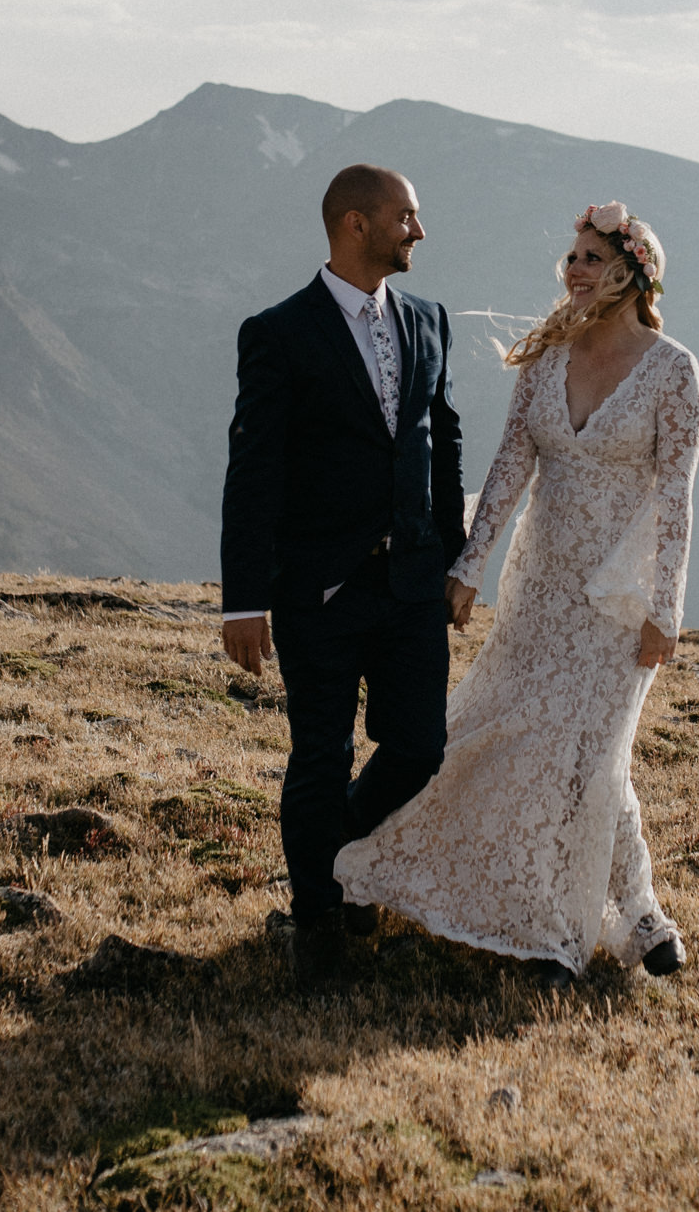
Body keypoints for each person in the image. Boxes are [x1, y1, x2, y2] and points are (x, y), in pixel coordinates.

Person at [335, 201, 699, 990]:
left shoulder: (674, 371)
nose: (572, 268)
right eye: (570, 255)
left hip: (615, 606)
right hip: (538, 590)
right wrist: (469, 566)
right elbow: (509, 467)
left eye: (591, 256)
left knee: (590, 757)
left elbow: (675, 497)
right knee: (507, 732)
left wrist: (663, 611)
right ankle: (641, 917)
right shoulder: (547, 358)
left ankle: (560, 932)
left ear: (631, 274)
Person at [219, 163, 467, 990]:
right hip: (318, 591)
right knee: (319, 756)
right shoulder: (279, 332)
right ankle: (318, 921)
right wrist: (245, 598)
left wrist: (455, 558)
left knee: (420, 747)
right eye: (407, 216)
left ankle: (336, 858)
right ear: (355, 224)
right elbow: (253, 470)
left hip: (410, 589)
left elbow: (443, 441)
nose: (418, 232)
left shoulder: (430, 320)